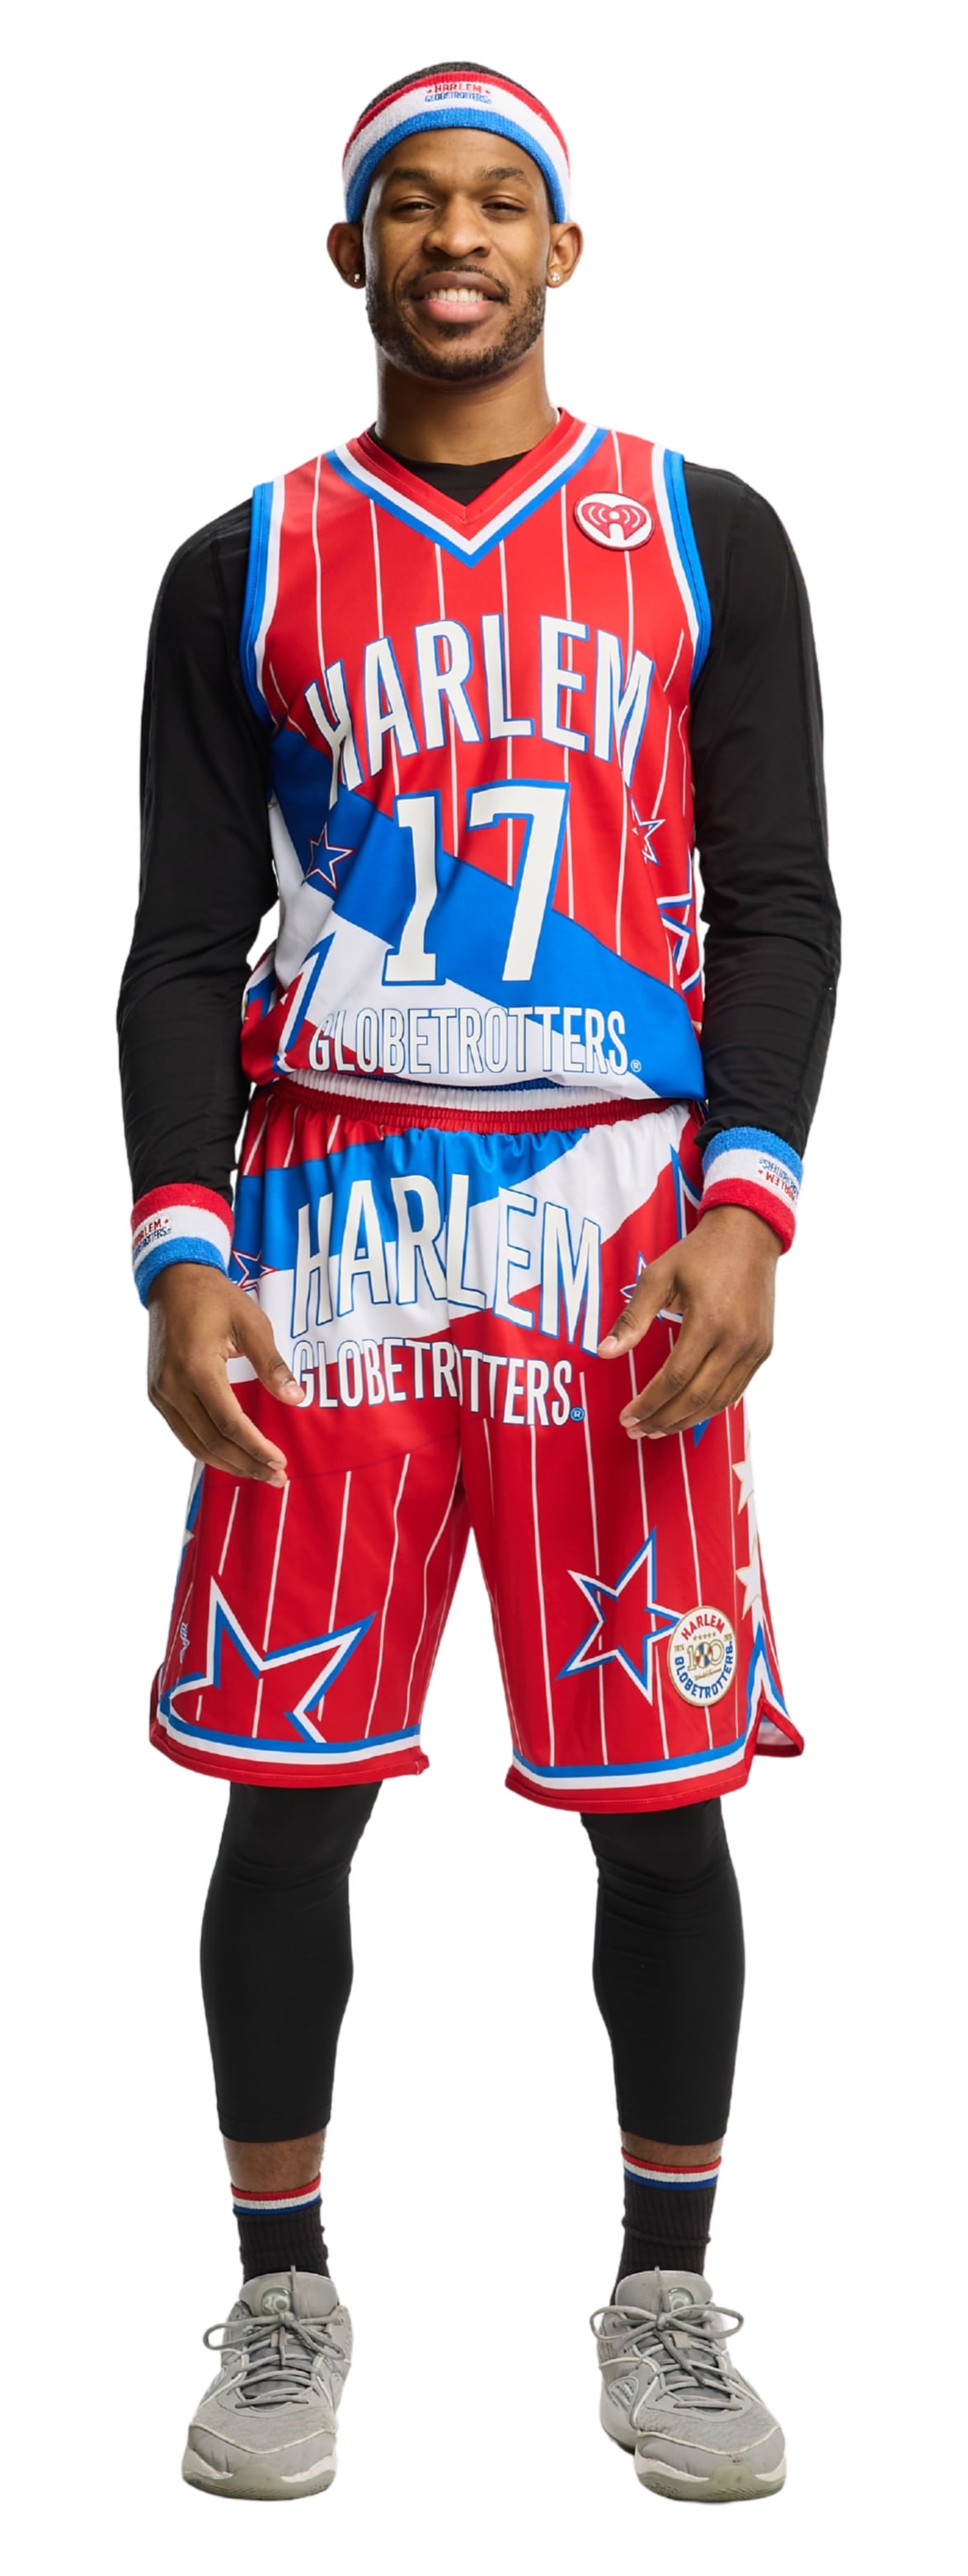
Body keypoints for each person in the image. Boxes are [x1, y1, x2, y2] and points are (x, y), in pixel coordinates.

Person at [119, 60, 839, 2506]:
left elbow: (782, 895)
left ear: (562, 250)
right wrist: (177, 1242)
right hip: (329, 1235)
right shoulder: (241, 562)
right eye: (411, 205)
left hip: (618, 1241)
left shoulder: (703, 531)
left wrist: (751, 1198)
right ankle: (281, 2295)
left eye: (498, 204)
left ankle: (666, 2292)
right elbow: (176, 941)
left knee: (660, 1795)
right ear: (352, 253)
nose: (455, 239)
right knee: (290, 1788)